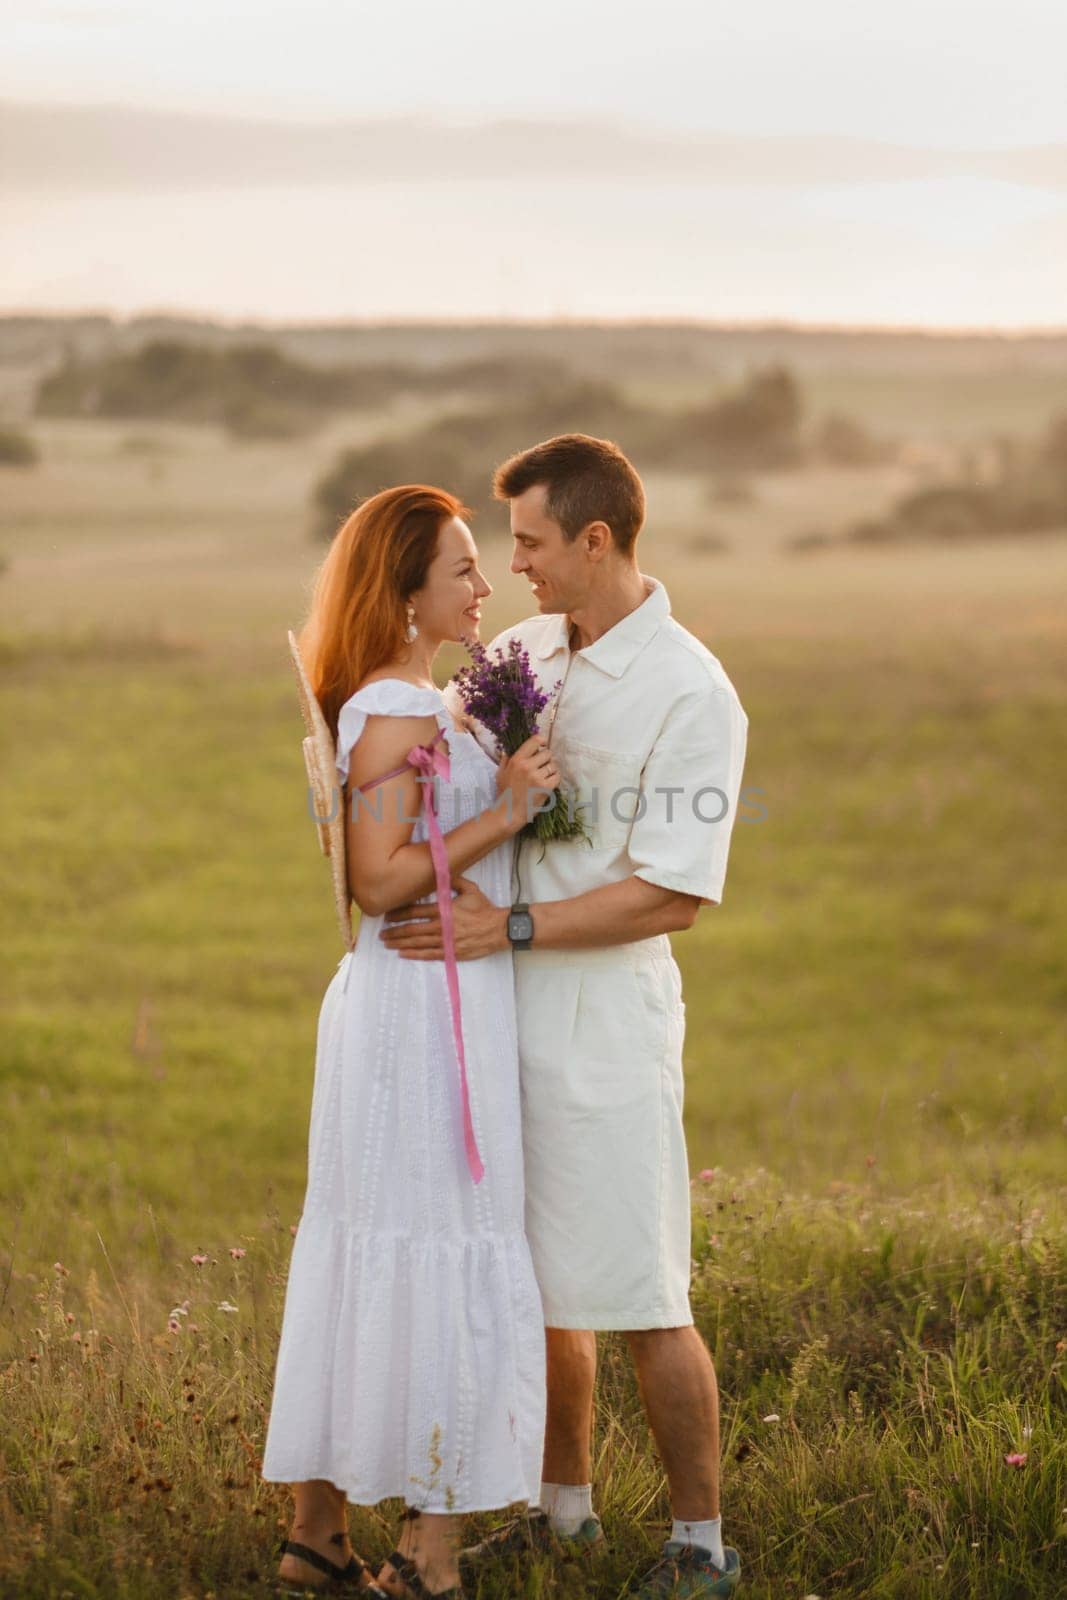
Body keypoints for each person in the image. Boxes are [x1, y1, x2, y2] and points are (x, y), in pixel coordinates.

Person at [380, 437, 749, 1599]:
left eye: (531, 542)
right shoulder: (527, 649)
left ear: (595, 538)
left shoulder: (692, 689)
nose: (515, 565)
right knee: (535, 1281)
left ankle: (700, 1551)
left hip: (604, 1029)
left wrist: (518, 929)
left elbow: (673, 894)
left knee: (641, 1290)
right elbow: (430, 759)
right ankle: (565, 1514)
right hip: (494, 1017)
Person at [261, 485, 557, 1599]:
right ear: (404, 594)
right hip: (419, 1011)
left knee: (379, 1239)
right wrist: (509, 811)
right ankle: (425, 1554)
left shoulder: (429, 703)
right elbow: (379, 880)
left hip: (428, 1002)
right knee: (435, 1240)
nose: (484, 588)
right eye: (463, 569)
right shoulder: (396, 709)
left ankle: (315, 1535)